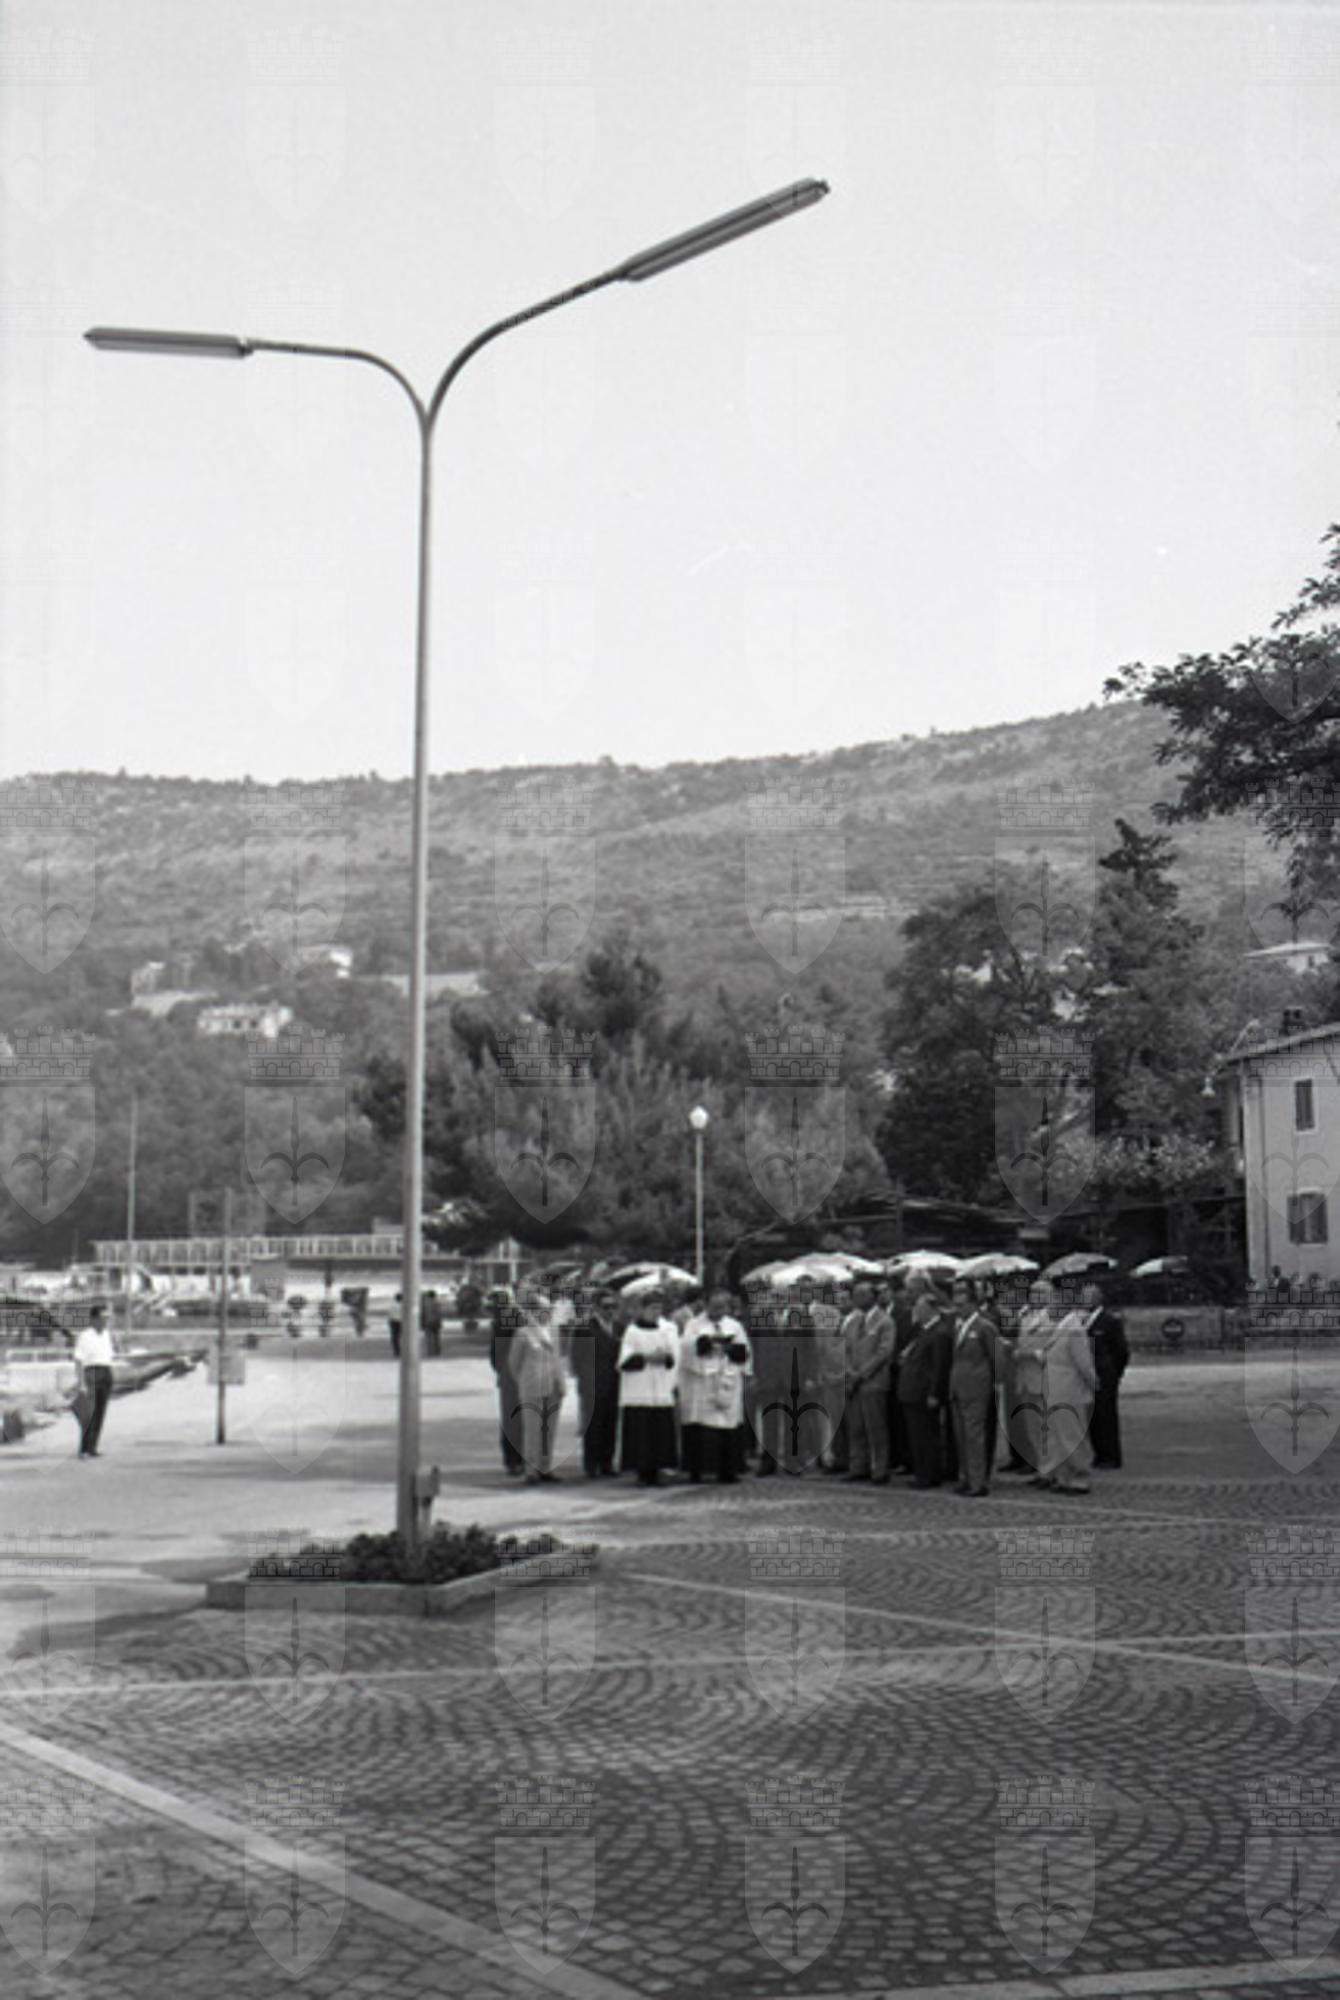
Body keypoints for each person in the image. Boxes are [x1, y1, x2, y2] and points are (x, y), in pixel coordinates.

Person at [679, 1290, 751, 1483]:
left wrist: (728, 1349)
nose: (719, 1310)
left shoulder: (734, 1326)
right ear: (706, 1305)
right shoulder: (694, 1325)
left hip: (727, 1380)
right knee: (701, 1422)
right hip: (703, 1382)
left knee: (728, 1422)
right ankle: (698, 1470)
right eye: (715, 1306)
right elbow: (686, 1350)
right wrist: (706, 1345)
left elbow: (744, 1351)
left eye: (723, 1306)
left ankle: (727, 1471)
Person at [1035, 1288, 1098, 1494]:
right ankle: (1063, 1476)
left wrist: (1093, 1383)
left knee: (1072, 1435)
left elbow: (1084, 1364)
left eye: (1052, 1303)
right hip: (1055, 1388)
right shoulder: (1059, 1327)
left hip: (1069, 1390)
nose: (1048, 1308)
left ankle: (1079, 1477)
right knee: (1058, 1436)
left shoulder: (1074, 1329)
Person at [616, 1289, 679, 1486]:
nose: (656, 1313)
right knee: (641, 1433)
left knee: (659, 1432)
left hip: (659, 1388)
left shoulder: (664, 1330)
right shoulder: (633, 1331)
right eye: (652, 1308)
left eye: (659, 1309)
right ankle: (642, 1472)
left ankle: (658, 1470)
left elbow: (672, 1357)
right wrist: (647, 1357)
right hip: (639, 1389)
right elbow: (624, 1361)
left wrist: (665, 1358)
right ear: (642, 1309)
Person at [896, 1279, 952, 1488]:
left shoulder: (939, 1333)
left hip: (923, 1392)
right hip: (913, 1391)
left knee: (925, 1436)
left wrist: (935, 1393)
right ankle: (924, 1472)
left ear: (930, 1309)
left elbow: (939, 1367)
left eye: (919, 1309)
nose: (916, 1313)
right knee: (917, 1436)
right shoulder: (923, 1332)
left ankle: (928, 1475)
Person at [948, 1279, 1000, 1497]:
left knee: (974, 1436)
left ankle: (978, 1481)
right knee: (961, 1436)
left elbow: (995, 1357)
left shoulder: (985, 1327)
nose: (957, 1309)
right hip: (958, 1387)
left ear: (972, 1304)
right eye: (956, 1305)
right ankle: (965, 1476)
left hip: (977, 1387)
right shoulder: (959, 1327)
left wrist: (994, 1383)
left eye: (961, 1305)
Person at [511, 1292, 567, 1484]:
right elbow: (514, 1363)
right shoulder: (523, 1333)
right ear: (533, 1311)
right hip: (532, 1387)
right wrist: (524, 1381)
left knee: (549, 1430)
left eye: (550, 1309)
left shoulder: (554, 1331)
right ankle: (531, 1470)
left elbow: (558, 1359)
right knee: (533, 1430)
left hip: (553, 1386)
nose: (548, 1312)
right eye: (544, 1309)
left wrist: (562, 1383)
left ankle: (546, 1467)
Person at [844, 1282, 896, 1483]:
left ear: (872, 1297)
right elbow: (846, 1348)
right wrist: (850, 1372)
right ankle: (858, 1466)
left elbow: (884, 1352)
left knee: (876, 1427)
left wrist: (862, 1374)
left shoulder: (885, 1321)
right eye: (855, 1294)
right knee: (856, 1427)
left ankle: (879, 1469)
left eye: (860, 1294)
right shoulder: (853, 1321)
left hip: (874, 1382)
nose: (856, 1298)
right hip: (853, 1382)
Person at [568, 1286, 620, 1478]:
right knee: (593, 1426)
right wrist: (585, 1382)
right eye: (606, 1307)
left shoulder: (619, 1327)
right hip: (592, 1385)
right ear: (596, 1307)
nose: (611, 1311)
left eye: (614, 1306)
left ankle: (607, 1462)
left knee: (610, 1424)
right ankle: (591, 1464)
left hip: (614, 1383)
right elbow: (576, 1358)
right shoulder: (585, 1328)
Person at [1083, 1281, 1129, 1469]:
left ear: (1098, 1298)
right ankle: (1099, 1454)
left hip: (1105, 1374)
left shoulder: (1110, 1321)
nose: (1085, 1300)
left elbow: (1121, 1351)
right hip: (1088, 1374)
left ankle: (1111, 1456)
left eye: (1089, 1296)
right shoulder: (1084, 1320)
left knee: (1106, 1416)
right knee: (1093, 1417)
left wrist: (1114, 1373)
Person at [488, 1294, 525, 1477]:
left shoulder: (500, 1324)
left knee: (511, 1420)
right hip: (517, 1377)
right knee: (519, 1421)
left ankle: (513, 1461)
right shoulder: (515, 1322)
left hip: (508, 1377)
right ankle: (517, 1460)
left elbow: (494, 1356)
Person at [73, 1303, 116, 1459]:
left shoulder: (107, 1335)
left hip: (106, 1371)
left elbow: (110, 1354)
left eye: (108, 1318)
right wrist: (81, 1383)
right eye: (104, 1317)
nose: (106, 1320)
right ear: (94, 1319)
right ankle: (84, 1449)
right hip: (92, 1372)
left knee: (100, 1412)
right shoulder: (85, 1336)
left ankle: (92, 1447)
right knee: (89, 1412)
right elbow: (78, 1359)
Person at [421, 1289, 443, 1359]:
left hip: (428, 1322)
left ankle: (430, 1351)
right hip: (435, 1322)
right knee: (436, 1337)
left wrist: (422, 1323)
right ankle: (437, 1351)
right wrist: (440, 1322)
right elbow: (439, 1313)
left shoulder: (425, 1304)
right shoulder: (437, 1303)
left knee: (428, 1337)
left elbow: (423, 1314)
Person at [388, 1292, 403, 1360]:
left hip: (393, 1322)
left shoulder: (392, 1305)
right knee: (402, 1336)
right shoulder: (404, 1305)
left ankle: (396, 1350)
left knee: (394, 1337)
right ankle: (402, 1349)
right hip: (401, 1322)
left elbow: (389, 1315)